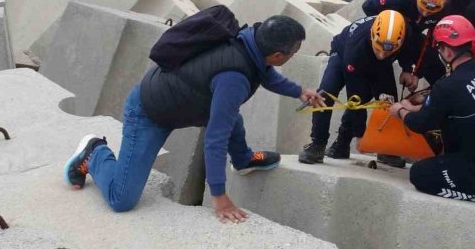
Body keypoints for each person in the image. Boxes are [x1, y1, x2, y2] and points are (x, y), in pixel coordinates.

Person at [64, 16, 326, 223]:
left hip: (184, 100)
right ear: (278, 55)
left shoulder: (248, 40)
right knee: (121, 199)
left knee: (229, 115)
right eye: (292, 53)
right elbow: (214, 139)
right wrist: (220, 197)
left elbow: (265, 72)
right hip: (150, 113)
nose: (292, 56)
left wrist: (300, 91)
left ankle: (243, 158)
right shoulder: (233, 78)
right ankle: (95, 152)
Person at [388, 15, 475, 204]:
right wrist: (416, 107)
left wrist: (400, 111)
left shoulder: (447, 86)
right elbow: (454, 103)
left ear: (448, 53)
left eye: (439, 47)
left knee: (420, 175)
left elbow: (420, 124)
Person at [298, 10, 420, 166]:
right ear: (372, 36)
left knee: (388, 101)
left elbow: (409, 52)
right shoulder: (355, 49)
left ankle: (385, 148)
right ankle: (318, 144)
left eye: (387, 50)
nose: (382, 54)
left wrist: (407, 70)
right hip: (343, 54)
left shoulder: (405, 32)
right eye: (379, 49)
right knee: (325, 94)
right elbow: (355, 97)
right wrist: (360, 134)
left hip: (380, 64)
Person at [362, 0, 452, 83]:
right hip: (392, 32)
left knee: (434, 58)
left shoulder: (445, 8)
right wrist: (388, 26)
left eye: (431, 10)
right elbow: (368, 7)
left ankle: (437, 90)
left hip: (413, 33)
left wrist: (414, 72)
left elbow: (430, 40)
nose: (424, 13)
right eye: (422, 5)